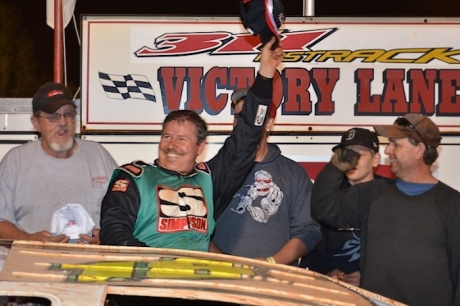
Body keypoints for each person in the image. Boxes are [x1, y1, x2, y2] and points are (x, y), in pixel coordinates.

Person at [99, 37, 285, 251]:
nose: (171, 145)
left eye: (182, 139)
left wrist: (265, 74)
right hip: (147, 273)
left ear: (200, 147)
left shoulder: (210, 178)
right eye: (167, 137)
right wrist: (154, 263)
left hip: (198, 278)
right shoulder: (134, 177)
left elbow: (245, 137)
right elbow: (114, 229)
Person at [311, 113, 460, 306]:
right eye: (389, 143)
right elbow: (324, 210)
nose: (388, 150)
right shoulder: (372, 194)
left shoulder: (452, 205)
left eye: (396, 145)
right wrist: (334, 169)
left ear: (419, 150)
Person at [210, 88, 321, 266]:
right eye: (239, 117)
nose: (244, 124)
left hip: (275, 281)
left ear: (269, 123)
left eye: (251, 117)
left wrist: (271, 263)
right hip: (220, 277)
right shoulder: (216, 169)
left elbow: (308, 231)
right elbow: (197, 227)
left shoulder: (293, 173)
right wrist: (225, 265)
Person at [0, 82, 118, 244]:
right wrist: (28, 240)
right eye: (53, 116)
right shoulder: (16, 161)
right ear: (36, 123)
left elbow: (123, 211)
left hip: (92, 263)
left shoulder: (98, 155)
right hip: (32, 264)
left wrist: (107, 237)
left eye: (69, 114)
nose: (63, 122)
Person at [303, 128, 382, 286]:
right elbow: (314, 248)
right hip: (333, 292)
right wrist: (326, 273)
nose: (351, 161)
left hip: (379, 293)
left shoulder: (388, 194)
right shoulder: (326, 197)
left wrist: (370, 276)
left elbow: (399, 252)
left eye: (359, 155)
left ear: (376, 160)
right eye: (346, 154)